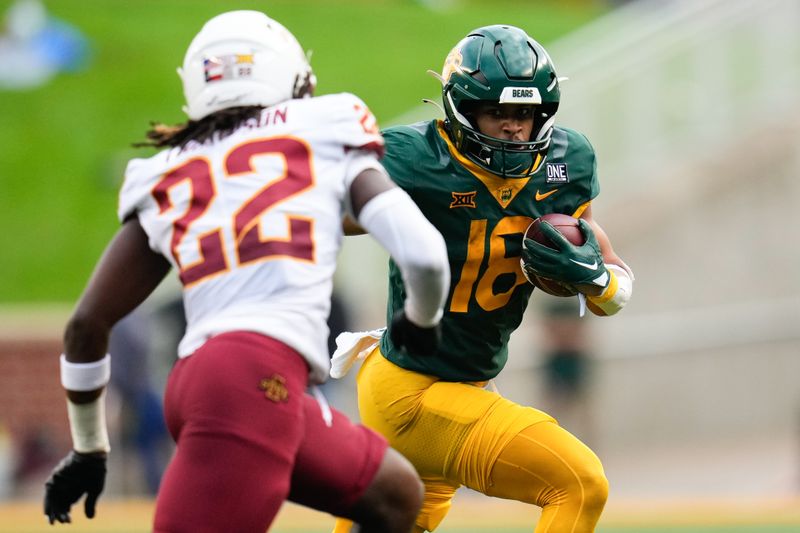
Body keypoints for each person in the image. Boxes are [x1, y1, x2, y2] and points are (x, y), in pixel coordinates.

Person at [42, 10, 451, 533]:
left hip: (210, 381)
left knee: (394, 495)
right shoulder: (323, 128)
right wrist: (421, 320)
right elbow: (422, 254)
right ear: (290, 78)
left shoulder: (170, 171)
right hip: (253, 380)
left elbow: (85, 327)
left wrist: (89, 449)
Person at [333, 24, 634, 533]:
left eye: (524, 114)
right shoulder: (416, 159)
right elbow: (329, 209)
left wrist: (596, 279)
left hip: (463, 386)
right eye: (498, 113)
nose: (514, 127)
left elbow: (615, 289)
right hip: (412, 389)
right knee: (579, 483)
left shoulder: (566, 163)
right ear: (464, 110)